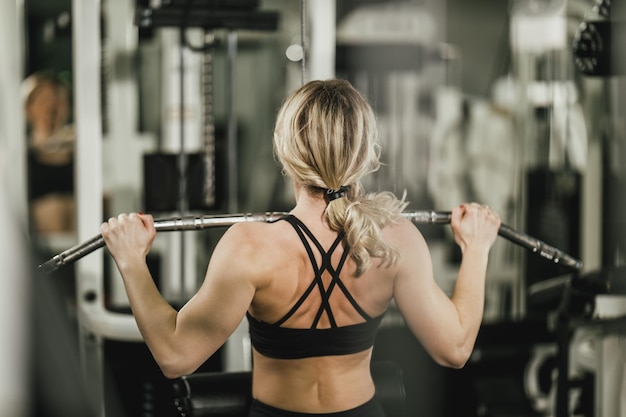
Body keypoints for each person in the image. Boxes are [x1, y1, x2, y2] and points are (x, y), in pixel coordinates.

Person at [101, 79, 501, 417]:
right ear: (365, 153)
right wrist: (477, 248)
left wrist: (132, 260)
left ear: (286, 152)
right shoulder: (394, 240)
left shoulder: (250, 246)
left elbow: (175, 356)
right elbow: (456, 348)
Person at [23, 70, 76, 236]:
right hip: (40, 250)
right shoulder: (22, 156)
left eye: (56, 100)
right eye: (43, 100)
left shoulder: (78, 151)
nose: (51, 107)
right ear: (28, 107)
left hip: (80, 245)